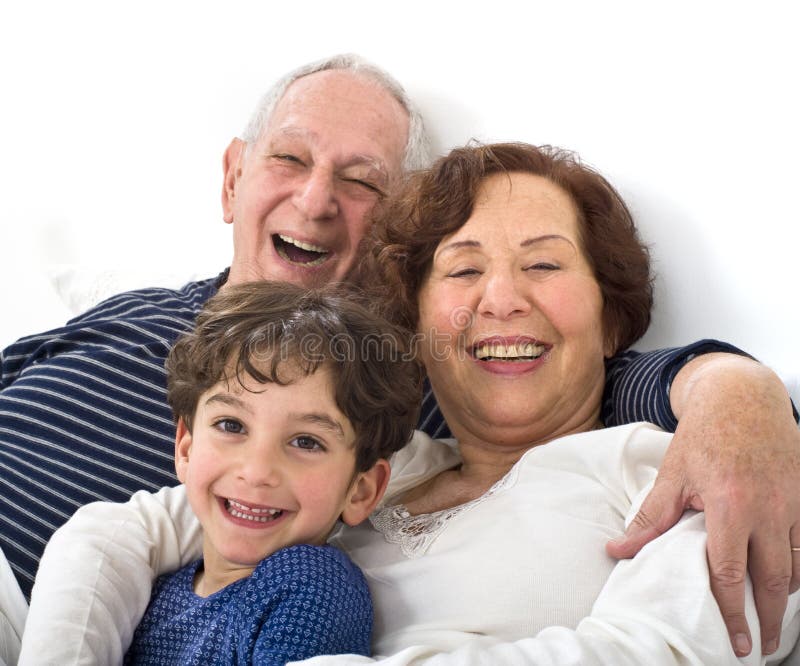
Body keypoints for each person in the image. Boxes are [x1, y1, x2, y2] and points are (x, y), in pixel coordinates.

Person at [3, 54, 799, 660]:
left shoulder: (673, 467)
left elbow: (666, 647)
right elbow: (122, 530)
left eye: (545, 265)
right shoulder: (380, 459)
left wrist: (737, 386)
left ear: (613, 315)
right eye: (462, 269)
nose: (501, 299)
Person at [124, 281, 421, 664]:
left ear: (361, 490)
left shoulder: (309, 582)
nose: (257, 471)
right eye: (232, 426)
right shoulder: (163, 588)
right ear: (186, 447)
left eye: (306, 442)